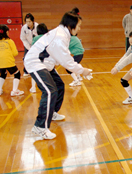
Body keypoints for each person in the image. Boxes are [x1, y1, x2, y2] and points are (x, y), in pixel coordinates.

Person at [24, 8, 91, 140]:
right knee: (49, 91)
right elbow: (67, 61)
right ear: (71, 25)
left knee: (59, 85)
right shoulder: (60, 36)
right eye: (79, 26)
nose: (79, 29)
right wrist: (82, 71)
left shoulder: (63, 34)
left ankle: (52, 112)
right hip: (35, 62)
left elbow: (61, 57)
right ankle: (40, 127)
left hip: (46, 64)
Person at [0, 25, 24, 97]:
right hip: (8, 61)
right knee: (17, 74)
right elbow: (15, 53)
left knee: (3, 74)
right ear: (6, 32)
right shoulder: (9, 41)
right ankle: (14, 91)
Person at [66, 8, 85, 87]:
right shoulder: (73, 38)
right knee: (75, 66)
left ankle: (76, 80)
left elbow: (66, 47)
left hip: (78, 54)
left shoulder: (72, 38)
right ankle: (78, 77)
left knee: (69, 68)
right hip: (79, 54)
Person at [30, 23, 49, 93]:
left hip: (38, 58)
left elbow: (32, 48)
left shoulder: (35, 38)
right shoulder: (47, 37)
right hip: (47, 58)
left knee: (34, 72)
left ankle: (33, 88)